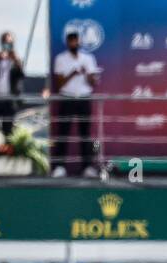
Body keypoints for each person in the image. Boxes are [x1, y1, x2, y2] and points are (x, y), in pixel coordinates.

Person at [51, 29, 99, 177]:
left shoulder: (88, 58)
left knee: (85, 134)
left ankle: (87, 167)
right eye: (71, 41)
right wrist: (73, 73)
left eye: (76, 41)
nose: (74, 43)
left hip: (84, 98)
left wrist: (87, 74)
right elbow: (58, 85)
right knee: (63, 133)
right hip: (67, 98)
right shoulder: (60, 59)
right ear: (67, 43)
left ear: (79, 42)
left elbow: (93, 83)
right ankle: (59, 167)